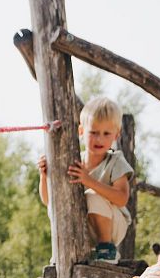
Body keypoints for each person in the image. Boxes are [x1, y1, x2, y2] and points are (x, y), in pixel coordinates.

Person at [37, 96, 133, 261]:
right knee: (60, 203)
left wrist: (89, 181)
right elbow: (48, 201)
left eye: (106, 133)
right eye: (94, 132)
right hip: (85, 227)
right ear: (81, 131)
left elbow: (122, 198)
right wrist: (44, 175)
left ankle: (106, 250)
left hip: (114, 226)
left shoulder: (115, 160)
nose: (99, 139)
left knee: (92, 195)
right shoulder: (73, 161)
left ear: (116, 136)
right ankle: (64, 251)